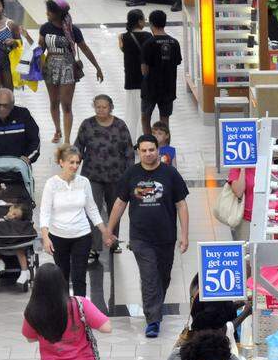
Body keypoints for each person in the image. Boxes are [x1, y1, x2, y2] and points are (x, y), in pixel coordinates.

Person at [106, 135, 190, 338]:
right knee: (149, 275)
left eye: (151, 149)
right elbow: (119, 203)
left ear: (158, 150)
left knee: (163, 276)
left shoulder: (170, 174)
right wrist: (109, 230)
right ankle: (153, 319)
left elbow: (181, 204)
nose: (148, 153)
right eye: (143, 150)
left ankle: (154, 305)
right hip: (140, 237)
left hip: (166, 236)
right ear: (138, 152)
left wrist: (185, 235)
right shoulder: (131, 174)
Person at [40, 147, 111, 296]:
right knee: (62, 276)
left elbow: (92, 209)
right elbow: (45, 212)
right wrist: (45, 238)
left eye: (77, 162)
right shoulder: (51, 184)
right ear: (61, 162)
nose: (75, 166)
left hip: (82, 234)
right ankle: (65, 310)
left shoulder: (84, 182)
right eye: (71, 162)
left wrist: (105, 231)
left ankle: (81, 311)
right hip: (58, 236)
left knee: (80, 277)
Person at [73, 94, 134, 262]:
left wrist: (130, 175)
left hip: (117, 176)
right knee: (93, 210)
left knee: (116, 209)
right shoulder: (87, 124)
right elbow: (78, 147)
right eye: (97, 107)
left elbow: (129, 152)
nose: (101, 110)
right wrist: (72, 166)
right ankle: (94, 247)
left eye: (104, 107)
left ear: (111, 108)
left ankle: (112, 240)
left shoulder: (120, 126)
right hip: (92, 176)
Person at [40, 0, 105, 147]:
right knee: (54, 102)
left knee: (66, 105)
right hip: (50, 68)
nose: (47, 13)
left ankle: (68, 140)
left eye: (49, 11)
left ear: (57, 13)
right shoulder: (45, 28)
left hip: (68, 69)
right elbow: (40, 49)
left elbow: (85, 49)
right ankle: (57, 130)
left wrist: (97, 67)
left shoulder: (72, 30)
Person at [140, 10, 182, 135]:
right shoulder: (174, 43)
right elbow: (176, 62)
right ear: (165, 23)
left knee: (145, 117)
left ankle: (148, 143)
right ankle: (165, 147)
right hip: (168, 87)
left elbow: (144, 70)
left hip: (150, 88)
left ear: (151, 24)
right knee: (164, 119)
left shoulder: (148, 44)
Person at [119, 9, 152, 138]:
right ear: (139, 21)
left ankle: (132, 139)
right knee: (147, 113)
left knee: (132, 113)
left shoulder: (123, 37)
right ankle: (147, 138)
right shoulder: (148, 36)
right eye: (143, 19)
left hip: (131, 79)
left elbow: (123, 49)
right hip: (146, 80)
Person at [227, 164, 257, 241]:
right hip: (246, 218)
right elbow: (238, 192)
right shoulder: (237, 167)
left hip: (267, 216)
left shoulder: (267, 163)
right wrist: (242, 168)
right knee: (246, 249)